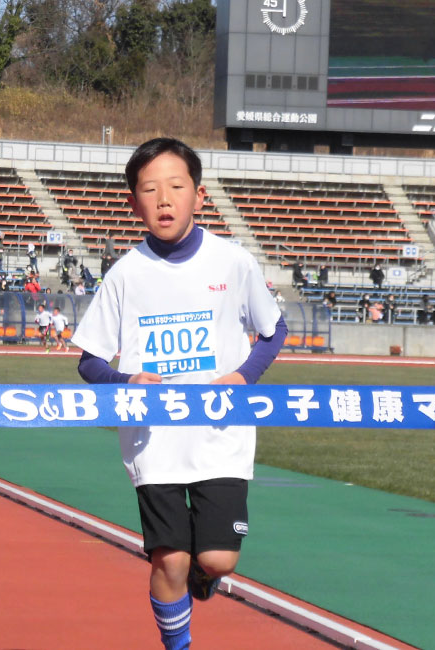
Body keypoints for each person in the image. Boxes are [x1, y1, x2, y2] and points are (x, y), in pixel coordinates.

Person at [71, 138, 286, 650]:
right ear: (133, 203)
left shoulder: (233, 263)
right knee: (169, 558)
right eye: (149, 189)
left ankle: (200, 581)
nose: (164, 200)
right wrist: (128, 382)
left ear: (199, 195)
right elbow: (90, 361)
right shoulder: (125, 274)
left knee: (215, 560)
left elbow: (274, 331)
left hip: (221, 435)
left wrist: (243, 376)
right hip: (156, 441)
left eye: (175, 186)